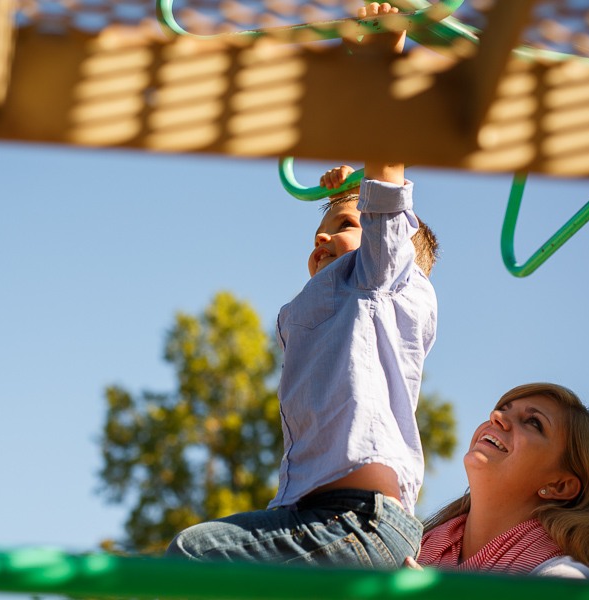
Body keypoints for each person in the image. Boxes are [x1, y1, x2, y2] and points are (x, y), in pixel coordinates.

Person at [165, 4, 440, 569]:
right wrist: (347, 194)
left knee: (194, 554)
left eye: (340, 227)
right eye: (318, 230)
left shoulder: (381, 277)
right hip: (318, 519)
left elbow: (388, 184)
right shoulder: (336, 303)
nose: (320, 238)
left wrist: (384, 64)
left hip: (356, 523)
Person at [413, 383, 589, 577]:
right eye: (501, 409)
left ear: (559, 486)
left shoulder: (562, 580)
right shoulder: (411, 544)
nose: (496, 417)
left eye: (533, 422)